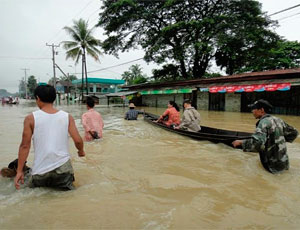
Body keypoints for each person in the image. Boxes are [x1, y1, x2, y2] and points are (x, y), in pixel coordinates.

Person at [14, 85, 85, 190]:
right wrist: (81, 151)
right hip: (63, 169)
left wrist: (19, 171)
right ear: (54, 98)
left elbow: (25, 146)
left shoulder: (30, 118)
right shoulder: (67, 117)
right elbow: (78, 140)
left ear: (37, 98)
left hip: (40, 170)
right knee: (67, 196)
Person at [232, 99, 298, 174]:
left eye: (253, 109)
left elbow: (258, 143)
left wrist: (241, 142)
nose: (252, 111)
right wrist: (278, 140)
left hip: (272, 165)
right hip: (284, 162)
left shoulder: (263, 123)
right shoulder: (278, 120)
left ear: (261, 110)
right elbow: (294, 133)